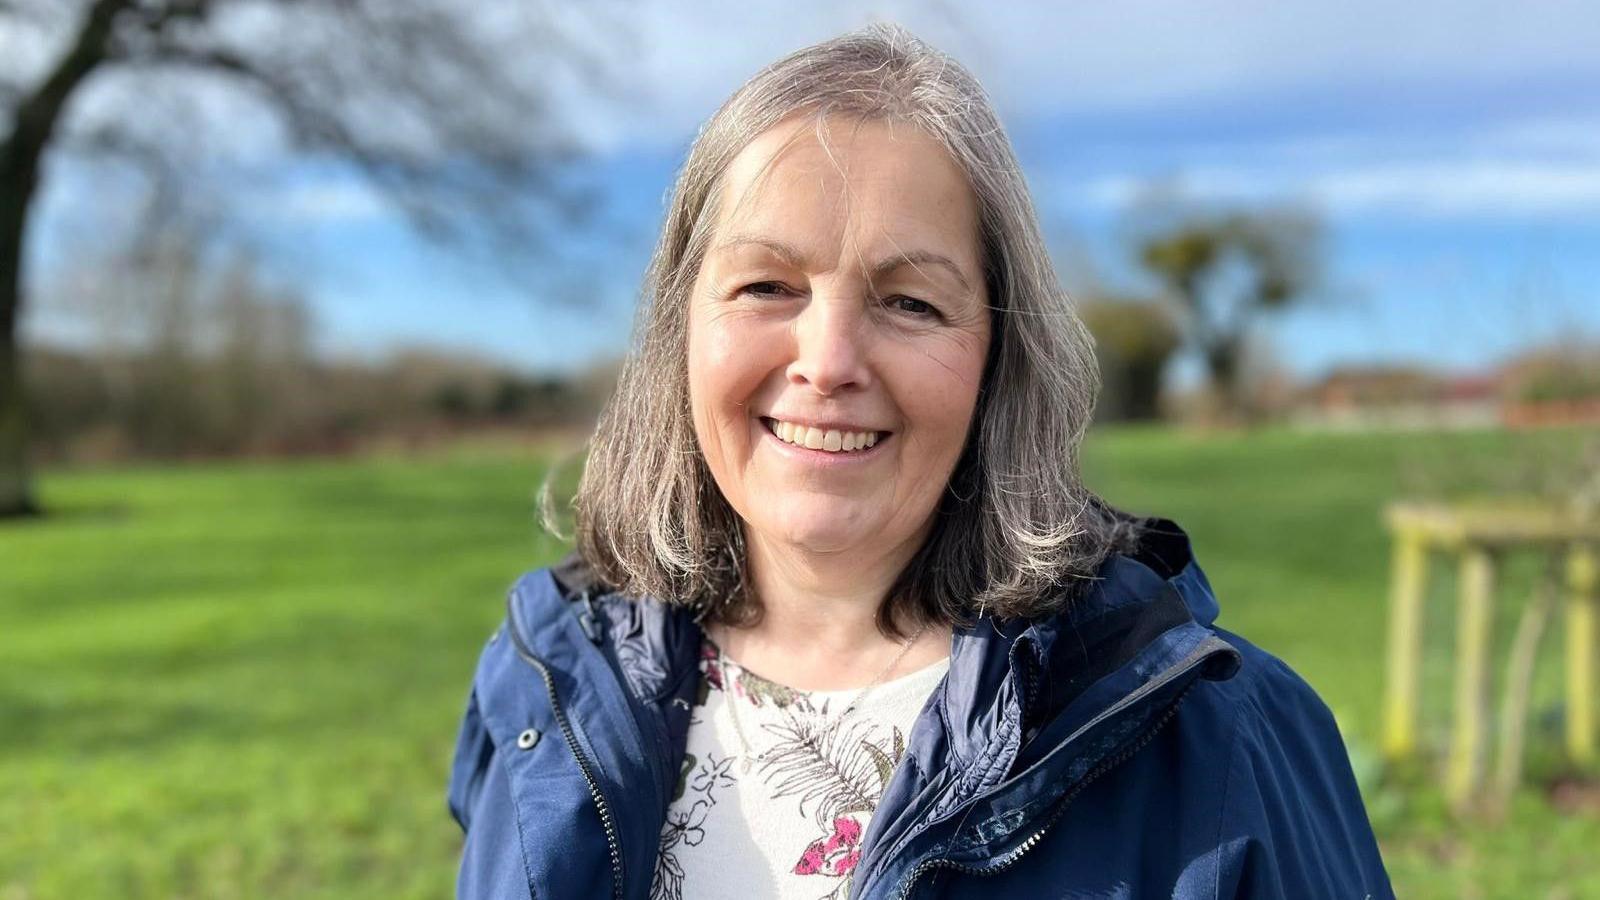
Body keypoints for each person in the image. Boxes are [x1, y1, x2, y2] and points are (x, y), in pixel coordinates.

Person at [447, 23, 1392, 900]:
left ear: (997, 359)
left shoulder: (1219, 740)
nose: (828, 362)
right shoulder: (547, 687)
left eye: (911, 303)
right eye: (766, 285)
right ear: (680, 333)